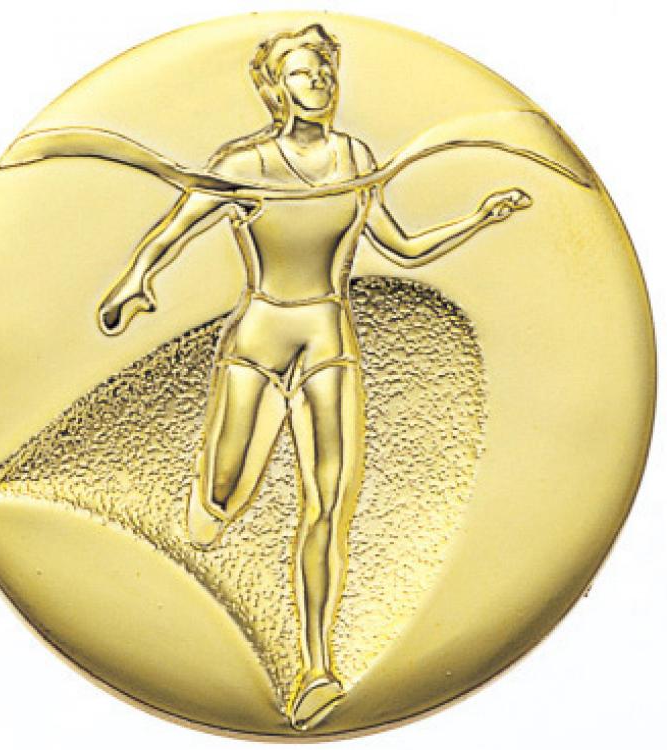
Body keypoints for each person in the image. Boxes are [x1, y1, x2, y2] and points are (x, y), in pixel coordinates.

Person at [96, 24, 530, 731]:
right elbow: (175, 228)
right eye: (303, 74)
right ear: (276, 89)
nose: (319, 84)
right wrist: (133, 282)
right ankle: (210, 508)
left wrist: (477, 220)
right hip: (259, 339)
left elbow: (402, 247)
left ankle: (316, 667)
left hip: (330, 342)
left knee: (329, 503)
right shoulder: (244, 164)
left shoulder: (355, 159)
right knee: (226, 494)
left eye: (326, 72)